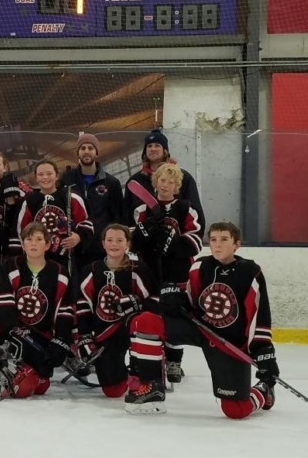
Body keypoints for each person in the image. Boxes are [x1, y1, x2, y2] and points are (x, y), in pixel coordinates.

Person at [125, 222, 279, 417]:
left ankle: (263, 391)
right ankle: (151, 386)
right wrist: (174, 300)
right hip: (199, 330)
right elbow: (190, 301)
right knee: (146, 321)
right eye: (213, 240)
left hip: (228, 342)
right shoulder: (200, 266)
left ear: (236, 244)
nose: (217, 245)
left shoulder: (249, 272)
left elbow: (259, 313)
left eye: (224, 239)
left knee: (235, 410)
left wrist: (263, 350)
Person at [0, 222, 74, 399]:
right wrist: (16, 332)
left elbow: (65, 310)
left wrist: (60, 341)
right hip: (12, 330)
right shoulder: (11, 265)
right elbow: (0, 303)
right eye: (29, 239)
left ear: (47, 245)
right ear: (22, 244)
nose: (33, 243)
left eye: (39, 239)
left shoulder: (59, 272)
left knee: (37, 387)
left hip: (39, 337)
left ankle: (14, 367)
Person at [130, 162, 202, 385]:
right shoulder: (142, 210)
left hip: (178, 272)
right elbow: (134, 242)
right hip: (149, 271)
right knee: (149, 314)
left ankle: (174, 361)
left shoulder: (185, 208)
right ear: (155, 182)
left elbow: (196, 241)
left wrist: (172, 245)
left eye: (171, 182)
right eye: (162, 180)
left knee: (174, 314)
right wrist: (148, 229)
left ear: (177, 186)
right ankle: (148, 359)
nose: (166, 185)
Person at [74, 224, 158, 398]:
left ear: (127, 243)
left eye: (120, 240)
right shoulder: (91, 270)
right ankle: (120, 374)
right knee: (113, 391)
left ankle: (142, 372)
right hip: (104, 333)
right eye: (110, 240)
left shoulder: (138, 269)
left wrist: (137, 303)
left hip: (129, 328)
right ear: (103, 243)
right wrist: (84, 336)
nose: (114, 244)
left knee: (145, 322)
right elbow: (83, 306)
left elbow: (156, 300)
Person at [12, 159, 94, 285]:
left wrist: (78, 236)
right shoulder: (28, 201)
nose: (45, 177)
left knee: (67, 291)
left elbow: (86, 222)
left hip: (67, 259)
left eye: (49, 173)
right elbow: (20, 230)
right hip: (38, 259)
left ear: (56, 175)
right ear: (36, 177)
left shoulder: (71, 196)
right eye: (40, 174)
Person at [61, 134, 124, 269]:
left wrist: (113, 241)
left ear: (97, 152)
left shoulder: (111, 182)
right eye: (83, 148)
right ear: (77, 152)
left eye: (90, 148)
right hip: (74, 247)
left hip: (100, 247)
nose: (87, 151)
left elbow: (117, 217)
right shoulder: (67, 179)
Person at [124, 129, 205, 232]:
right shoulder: (135, 181)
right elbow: (126, 215)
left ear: (165, 150)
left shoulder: (183, 177)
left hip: (176, 240)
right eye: (149, 146)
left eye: (157, 145)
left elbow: (196, 212)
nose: (153, 149)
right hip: (144, 242)